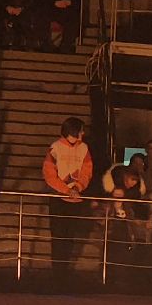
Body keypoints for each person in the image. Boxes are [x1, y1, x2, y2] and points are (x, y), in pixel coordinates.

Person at [42, 117, 95, 275]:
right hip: (59, 198)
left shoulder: (84, 148)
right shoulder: (55, 148)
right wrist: (65, 190)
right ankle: (57, 271)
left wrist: (78, 187)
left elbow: (87, 172)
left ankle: (64, 270)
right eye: (81, 130)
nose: (83, 133)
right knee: (58, 235)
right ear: (73, 131)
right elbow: (49, 174)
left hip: (76, 198)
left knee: (70, 236)